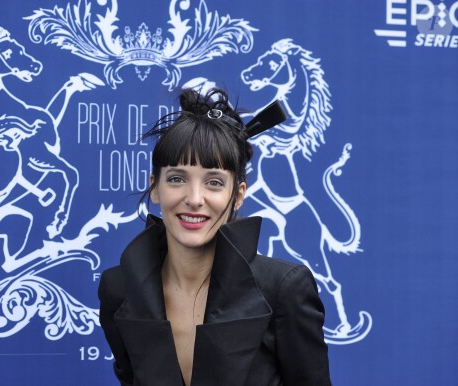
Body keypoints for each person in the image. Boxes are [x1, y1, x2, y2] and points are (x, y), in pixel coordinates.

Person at [98, 88, 331, 386]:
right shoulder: (118, 288)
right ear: (155, 188)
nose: (194, 199)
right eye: (177, 179)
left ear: (237, 196)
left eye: (214, 182)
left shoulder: (283, 289)